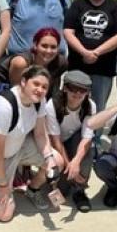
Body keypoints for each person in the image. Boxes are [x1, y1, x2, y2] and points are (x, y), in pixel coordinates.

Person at [0, 65, 65, 222]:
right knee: (5, 214)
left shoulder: (38, 101)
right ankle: (2, 184)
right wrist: (2, 185)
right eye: (36, 84)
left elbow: (40, 134)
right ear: (23, 82)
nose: (40, 90)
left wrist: (49, 159)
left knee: (57, 162)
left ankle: (33, 190)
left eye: (44, 87)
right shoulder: (4, 107)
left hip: (18, 145)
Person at [64, 0, 117, 113]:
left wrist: (96, 52)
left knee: (98, 107)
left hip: (103, 68)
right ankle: (74, 134)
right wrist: (84, 52)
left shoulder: (114, 7)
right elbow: (67, 32)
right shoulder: (78, 5)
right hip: (78, 65)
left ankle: (95, 136)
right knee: (73, 104)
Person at [46, 70, 96, 212]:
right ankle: (58, 182)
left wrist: (76, 162)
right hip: (57, 144)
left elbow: (87, 137)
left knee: (87, 152)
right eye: (74, 89)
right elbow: (55, 139)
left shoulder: (90, 105)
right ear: (65, 88)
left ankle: (80, 190)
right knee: (62, 188)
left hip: (76, 139)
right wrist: (69, 165)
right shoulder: (53, 105)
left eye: (83, 90)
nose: (78, 94)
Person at [0, 27, 68, 99]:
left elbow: (52, 91)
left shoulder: (61, 63)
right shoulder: (21, 62)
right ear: (35, 45)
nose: (48, 51)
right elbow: (17, 93)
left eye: (53, 47)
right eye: (44, 46)